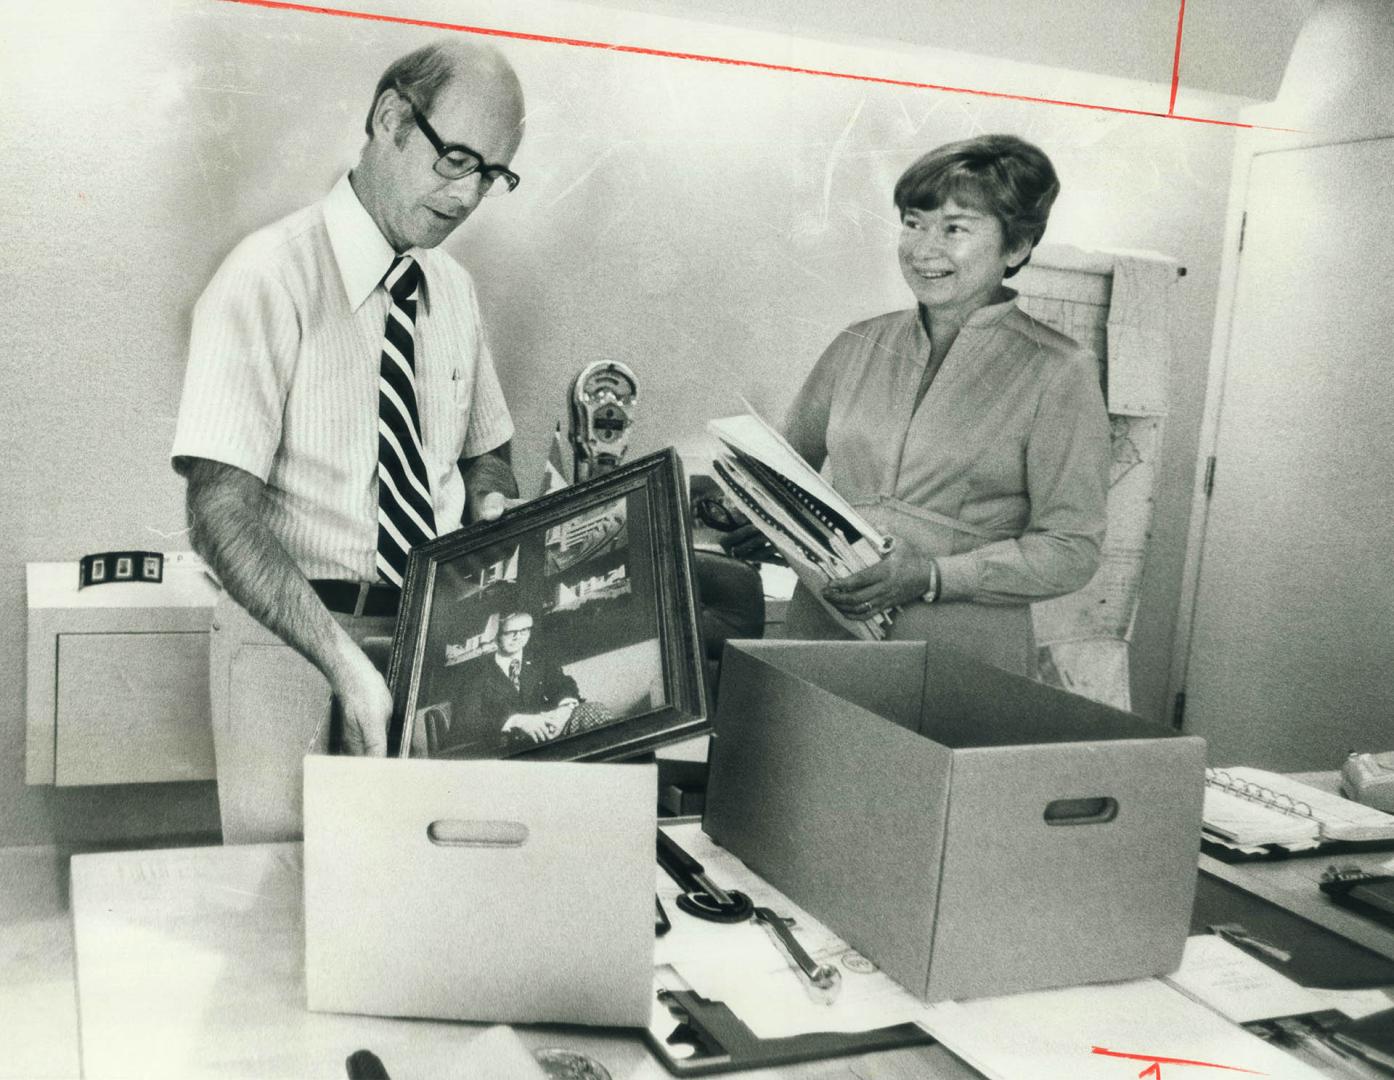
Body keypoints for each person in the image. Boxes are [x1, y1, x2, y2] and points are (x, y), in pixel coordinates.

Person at [170, 38, 527, 841]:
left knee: (415, 890)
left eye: (492, 175)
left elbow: (483, 453)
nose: (468, 196)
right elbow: (219, 511)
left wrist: (497, 502)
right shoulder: (266, 277)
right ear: (391, 118)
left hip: (435, 639)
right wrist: (341, 661)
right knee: (288, 898)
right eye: (457, 160)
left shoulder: (455, 292)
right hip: (288, 643)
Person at [780, 134, 1111, 675]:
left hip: (960, 651)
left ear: (1017, 246)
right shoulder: (856, 344)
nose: (923, 248)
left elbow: (1071, 551)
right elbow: (784, 472)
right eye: (914, 223)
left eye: (955, 228)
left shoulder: (1059, 370)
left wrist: (934, 575)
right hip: (823, 631)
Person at [430, 612, 581, 757]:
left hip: (549, 733)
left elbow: (564, 683)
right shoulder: (476, 674)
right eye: (510, 632)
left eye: (524, 630)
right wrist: (517, 721)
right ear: (495, 637)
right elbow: (467, 722)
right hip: (505, 748)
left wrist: (563, 712)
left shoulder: (538, 659)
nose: (518, 637)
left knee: (594, 712)